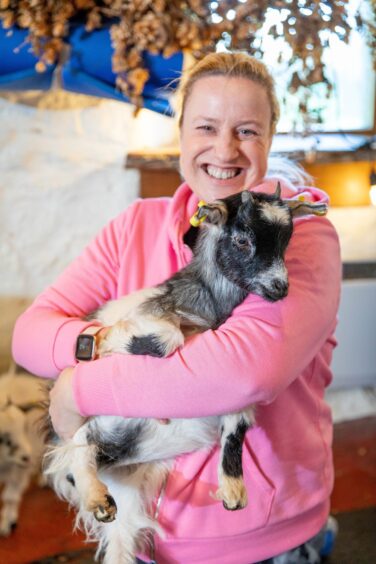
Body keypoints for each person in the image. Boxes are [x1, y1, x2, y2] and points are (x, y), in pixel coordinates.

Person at [12, 52, 341, 564]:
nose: (224, 149)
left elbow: (245, 373)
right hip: (147, 535)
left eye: (247, 131)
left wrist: (79, 386)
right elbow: (31, 335)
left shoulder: (298, 238)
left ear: (271, 135)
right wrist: (104, 342)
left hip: (263, 540)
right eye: (206, 126)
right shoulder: (133, 227)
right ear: (180, 131)